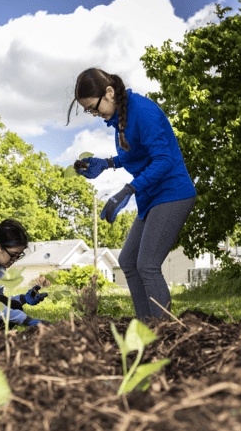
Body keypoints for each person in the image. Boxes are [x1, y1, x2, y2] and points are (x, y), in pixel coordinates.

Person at [67, 68, 197, 324]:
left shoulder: (142, 111)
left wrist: (129, 189)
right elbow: (135, 154)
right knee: (127, 261)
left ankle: (165, 331)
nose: (95, 115)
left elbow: (164, 160)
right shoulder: (120, 117)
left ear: (109, 92)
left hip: (172, 192)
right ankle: (145, 325)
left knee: (147, 265)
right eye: (89, 111)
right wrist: (106, 163)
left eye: (94, 107)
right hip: (151, 197)